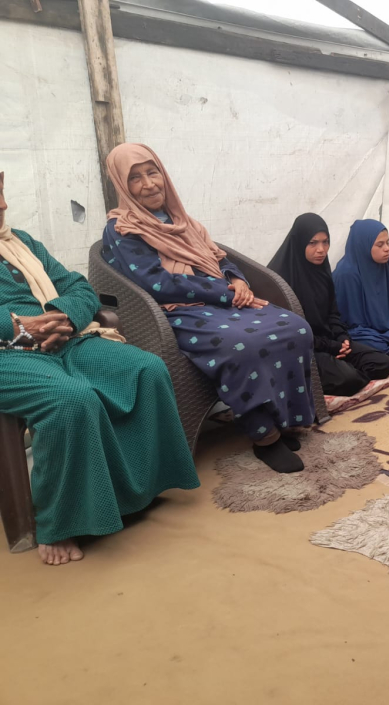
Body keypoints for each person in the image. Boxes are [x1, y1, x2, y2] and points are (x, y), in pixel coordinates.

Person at [0, 170, 199, 565]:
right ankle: (60, 523)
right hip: (9, 354)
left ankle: (134, 492)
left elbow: (78, 287)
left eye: (1, 191)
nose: (4, 204)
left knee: (146, 369)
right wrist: (19, 326)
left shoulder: (23, 242)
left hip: (63, 339)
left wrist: (61, 317)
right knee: (70, 400)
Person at [102, 143, 314, 474]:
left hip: (221, 299)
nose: (149, 184)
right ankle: (266, 438)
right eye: (135, 178)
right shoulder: (123, 230)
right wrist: (224, 293)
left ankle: (283, 419)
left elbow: (218, 257)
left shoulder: (183, 222)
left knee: (296, 328)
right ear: (122, 184)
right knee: (243, 345)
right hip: (175, 311)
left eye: (153, 172)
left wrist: (237, 280)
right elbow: (157, 283)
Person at [269, 214, 389, 396]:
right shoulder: (280, 280)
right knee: (348, 379)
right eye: (313, 243)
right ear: (300, 242)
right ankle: (332, 375)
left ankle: (336, 373)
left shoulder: (322, 272)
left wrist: (342, 338)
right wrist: (331, 347)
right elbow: (290, 333)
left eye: (325, 242)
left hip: (329, 343)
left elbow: (333, 314)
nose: (321, 249)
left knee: (382, 363)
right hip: (302, 349)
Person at [332, 219, 389, 362]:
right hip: (360, 334)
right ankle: (376, 357)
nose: (387, 248)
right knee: (368, 344)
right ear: (364, 245)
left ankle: (374, 358)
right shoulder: (346, 274)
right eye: (380, 244)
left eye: (388, 242)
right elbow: (346, 324)